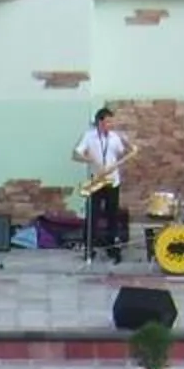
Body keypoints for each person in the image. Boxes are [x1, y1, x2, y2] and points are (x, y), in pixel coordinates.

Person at [72, 105, 132, 261]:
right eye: (108, 122)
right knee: (93, 215)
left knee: (113, 215)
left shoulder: (115, 137)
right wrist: (91, 160)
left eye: (112, 122)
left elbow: (121, 153)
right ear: (99, 122)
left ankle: (112, 248)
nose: (110, 125)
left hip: (113, 181)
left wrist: (127, 142)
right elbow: (75, 155)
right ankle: (89, 248)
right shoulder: (88, 136)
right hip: (97, 181)